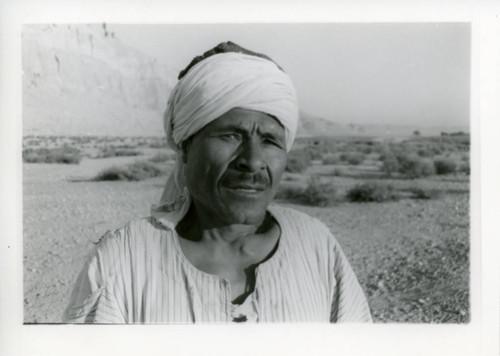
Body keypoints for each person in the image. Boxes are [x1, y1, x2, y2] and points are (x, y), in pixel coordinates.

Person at [63, 41, 372, 323]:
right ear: (186, 147)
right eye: (230, 135)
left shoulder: (315, 245)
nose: (252, 160)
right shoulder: (124, 260)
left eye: (269, 141)